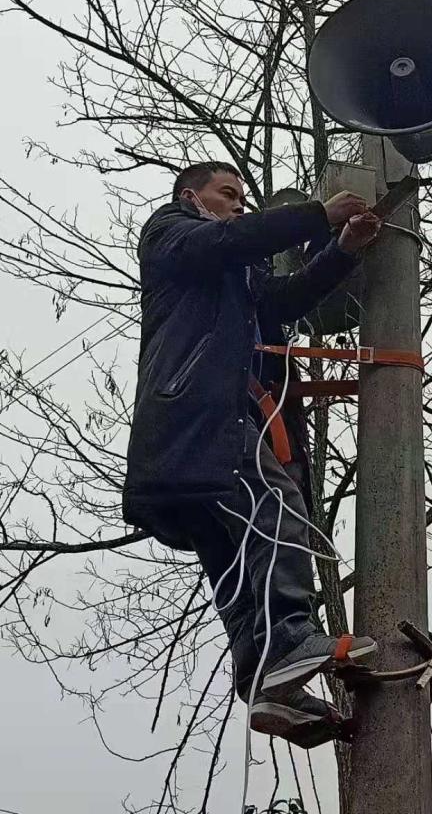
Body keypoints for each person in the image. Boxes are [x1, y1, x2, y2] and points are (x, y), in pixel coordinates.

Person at [122, 160, 381, 747]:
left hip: (194, 452)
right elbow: (228, 239)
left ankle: (267, 681)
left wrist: (339, 249)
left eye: (243, 196)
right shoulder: (170, 232)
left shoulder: (238, 274)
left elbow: (283, 302)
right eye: (228, 193)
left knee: (238, 569)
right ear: (192, 198)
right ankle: (290, 638)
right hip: (205, 421)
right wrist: (317, 213)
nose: (239, 203)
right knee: (278, 511)